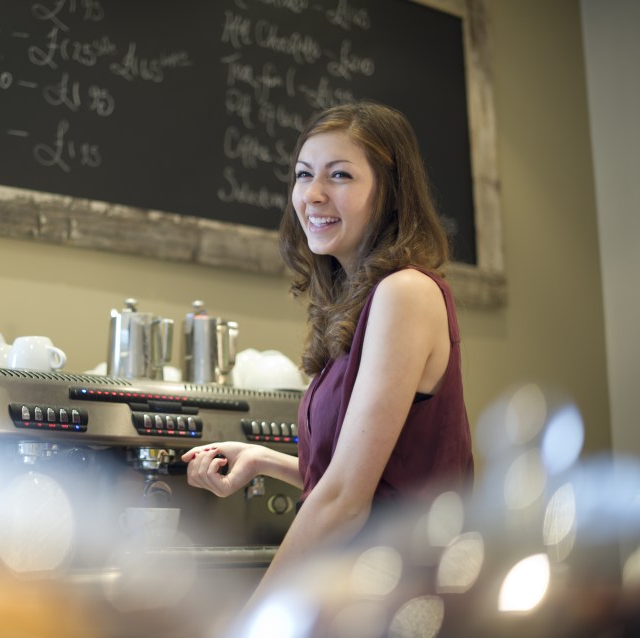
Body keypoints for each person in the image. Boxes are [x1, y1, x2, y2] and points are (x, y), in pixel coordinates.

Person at [182, 101, 474, 602]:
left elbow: (346, 501)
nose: (313, 194)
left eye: (340, 175)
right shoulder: (363, 300)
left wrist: (255, 618)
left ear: (390, 193)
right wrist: (264, 460)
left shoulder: (406, 293)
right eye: (303, 175)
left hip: (405, 597)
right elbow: (384, 476)